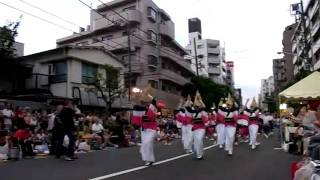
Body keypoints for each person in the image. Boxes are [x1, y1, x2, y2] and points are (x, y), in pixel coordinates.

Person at [187, 91, 208, 160]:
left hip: (201, 128)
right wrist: (189, 100)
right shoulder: (192, 112)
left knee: (199, 140)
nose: (196, 107)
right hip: (195, 128)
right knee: (197, 141)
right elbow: (187, 107)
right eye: (195, 106)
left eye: (197, 106)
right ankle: (199, 153)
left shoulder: (201, 111)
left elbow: (204, 106)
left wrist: (200, 100)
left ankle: (200, 154)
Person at [140, 98, 158, 166]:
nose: (145, 103)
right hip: (144, 129)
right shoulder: (142, 109)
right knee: (146, 144)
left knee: (148, 143)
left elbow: (153, 101)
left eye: (147, 102)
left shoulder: (153, 108)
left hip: (152, 128)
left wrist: (148, 96)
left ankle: (148, 159)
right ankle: (149, 159)